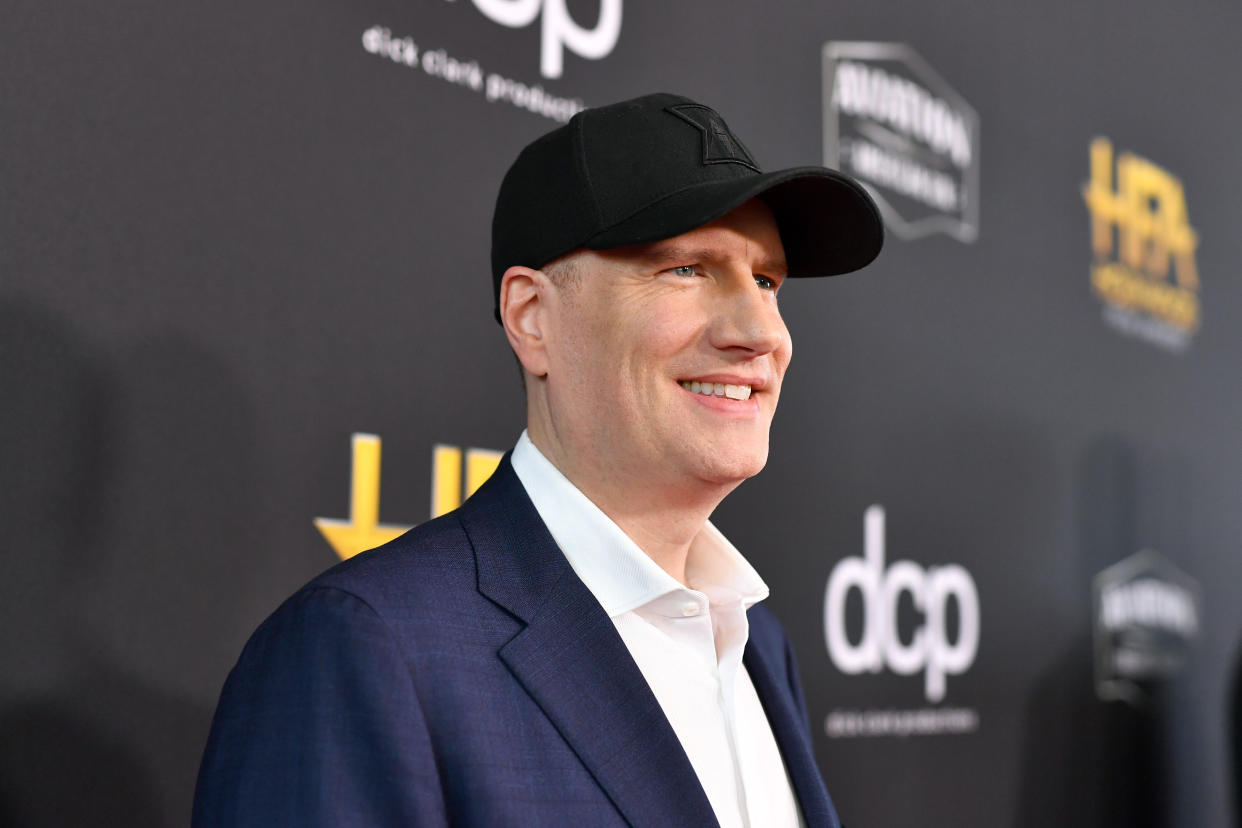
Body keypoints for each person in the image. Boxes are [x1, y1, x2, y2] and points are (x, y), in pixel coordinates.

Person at [193, 92, 883, 827]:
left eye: (767, 281)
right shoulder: (365, 651)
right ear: (532, 317)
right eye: (685, 268)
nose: (759, 331)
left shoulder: (756, 642)